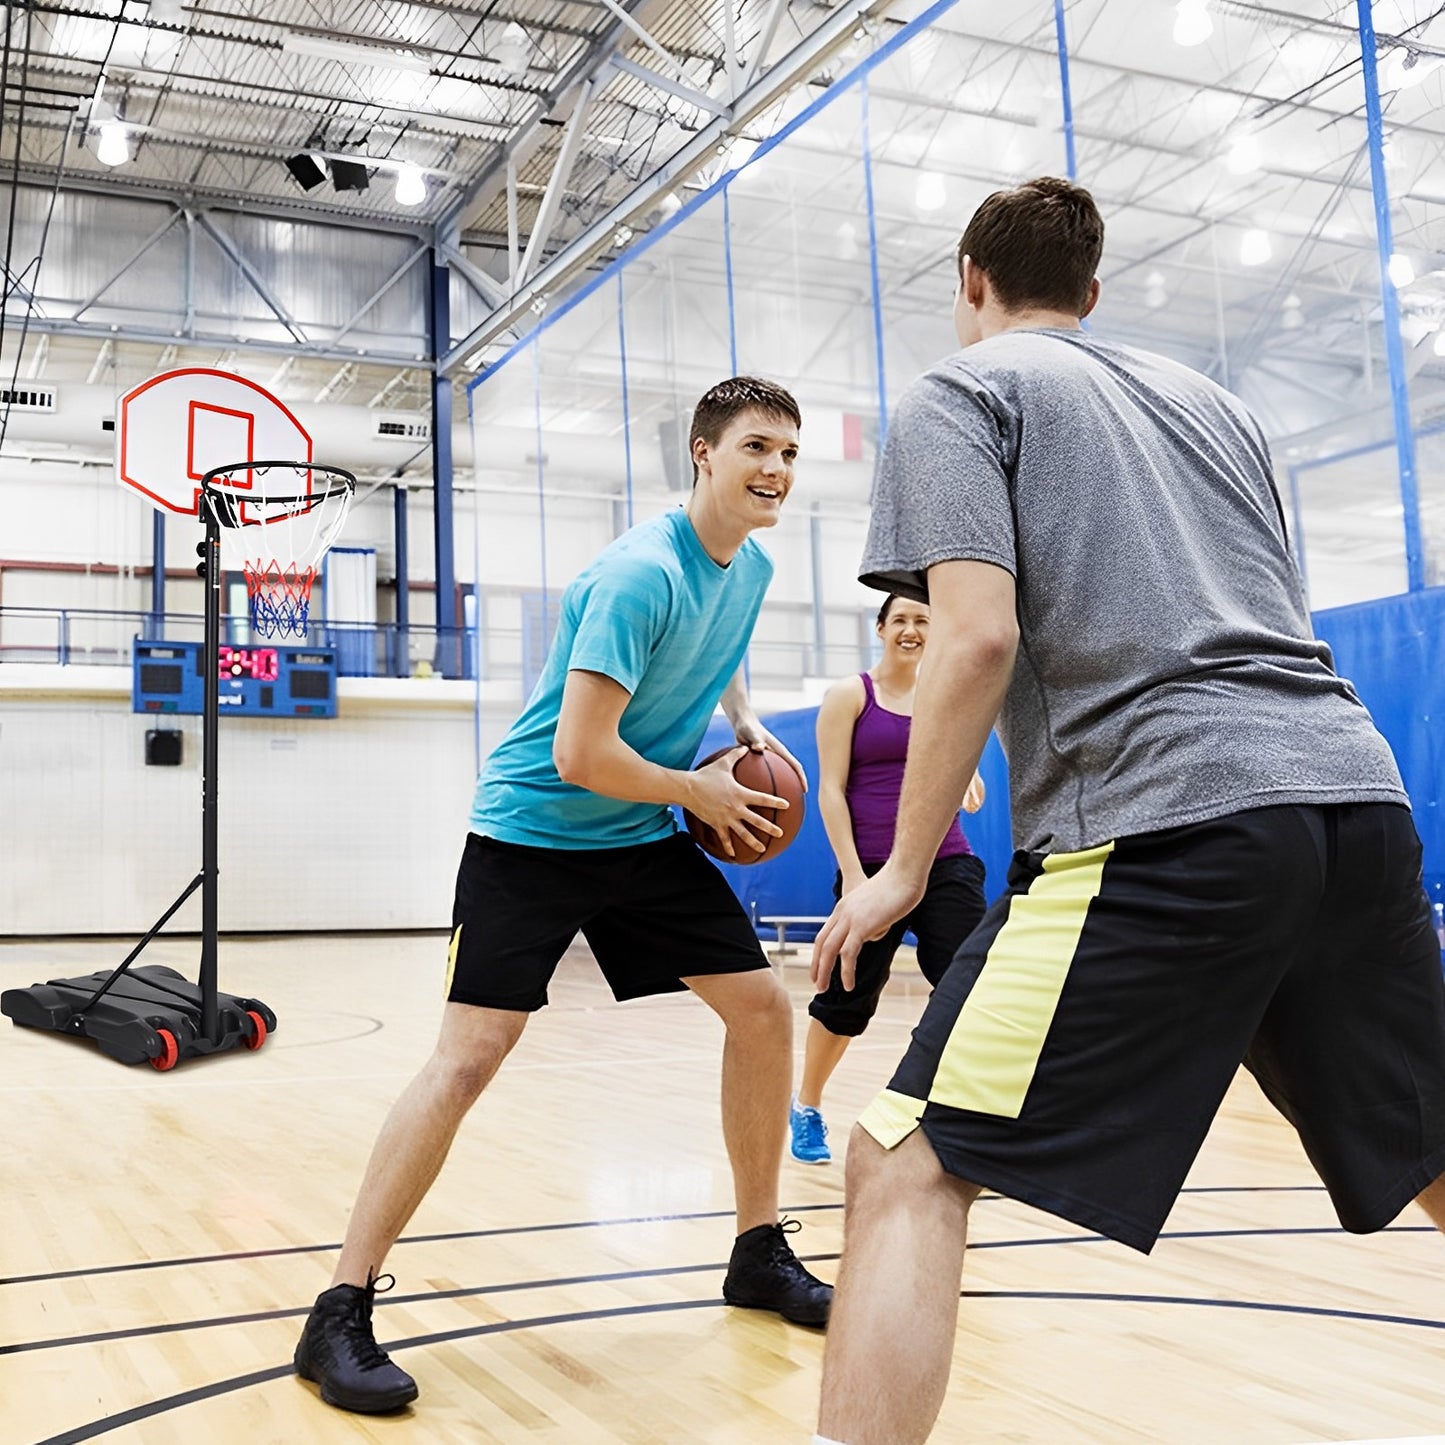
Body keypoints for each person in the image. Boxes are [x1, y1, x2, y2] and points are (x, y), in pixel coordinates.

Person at [808, 177, 1445, 1445]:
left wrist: (894, 868)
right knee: (1433, 1146)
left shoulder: (963, 388)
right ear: (1089, 298)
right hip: (1354, 798)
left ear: (969, 285)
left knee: (903, 1163)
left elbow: (974, 638)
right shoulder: (1223, 410)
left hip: (1162, 821)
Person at [294, 376, 832, 1417]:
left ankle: (756, 1249)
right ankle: (338, 1307)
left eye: (791, 453)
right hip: (534, 834)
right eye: (757, 447)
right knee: (468, 1057)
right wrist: (698, 788)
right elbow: (580, 752)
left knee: (764, 1009)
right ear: (703, 454)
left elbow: (714, 652)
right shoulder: (635, 575)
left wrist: (746, 719)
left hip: (635, 833)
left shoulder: (752, 563)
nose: (776, 469)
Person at [789, 592, 986, 1165]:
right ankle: (807, 1106)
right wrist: (853, 876)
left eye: (923, 619)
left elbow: (955, 761)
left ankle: (948, 1114)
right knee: (845, 1001)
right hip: (871, 868)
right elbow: (830, 790)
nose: (911, 628)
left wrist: (968, 777)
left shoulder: (944, 695)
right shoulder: (851, 695)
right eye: (900, 618)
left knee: (968, 985)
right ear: (881, 628)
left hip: (943, 859)